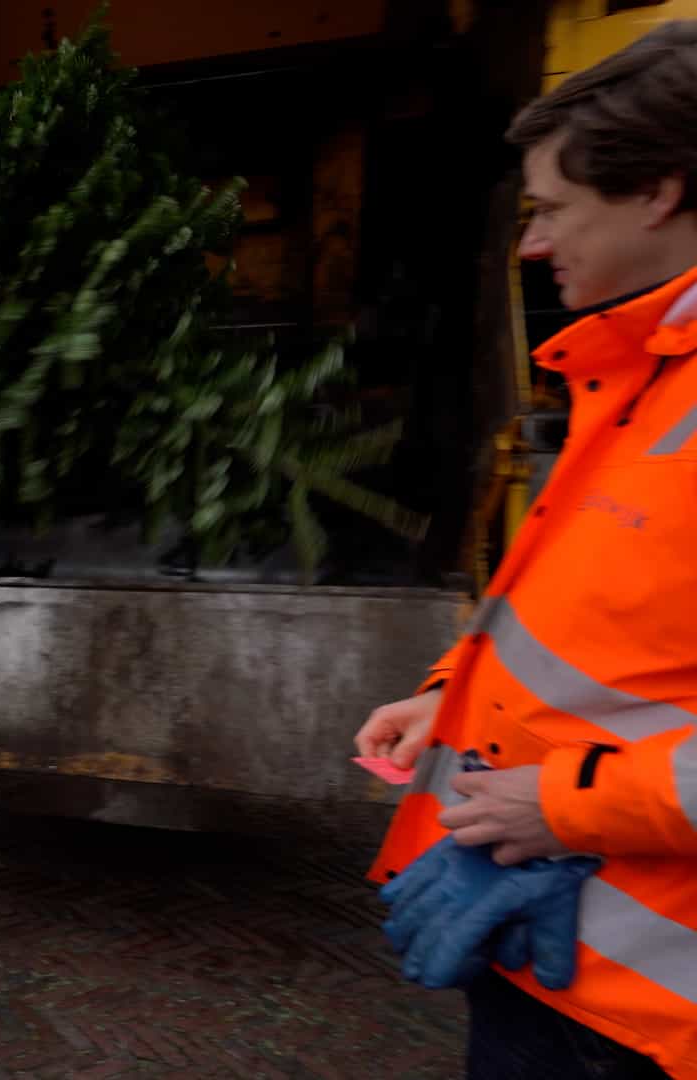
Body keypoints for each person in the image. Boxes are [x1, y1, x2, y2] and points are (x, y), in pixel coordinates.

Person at [355, 23, 697, 1080]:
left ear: (660, 191)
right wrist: (453, 691)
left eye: (551, 210)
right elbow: (594, 611)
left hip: (644, 1010)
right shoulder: (642, 370)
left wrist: (565, 804)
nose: (532, 246)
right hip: (561, 953)